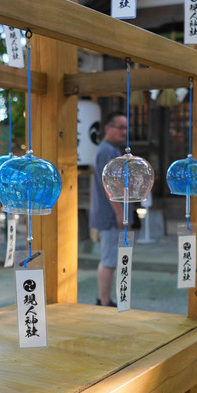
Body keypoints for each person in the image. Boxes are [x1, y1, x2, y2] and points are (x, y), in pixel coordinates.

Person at [90, 112, 128, 306]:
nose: (124, 132)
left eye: (125, 128)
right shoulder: (106, 151)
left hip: (110, 212)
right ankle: (104, 301)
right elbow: (110, 185)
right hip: (110, 213)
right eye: (120, 127)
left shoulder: (111, 150)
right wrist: (120, 213)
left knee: (111, 258)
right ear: (108, 128)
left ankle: (105, 299)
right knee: (109, 258)